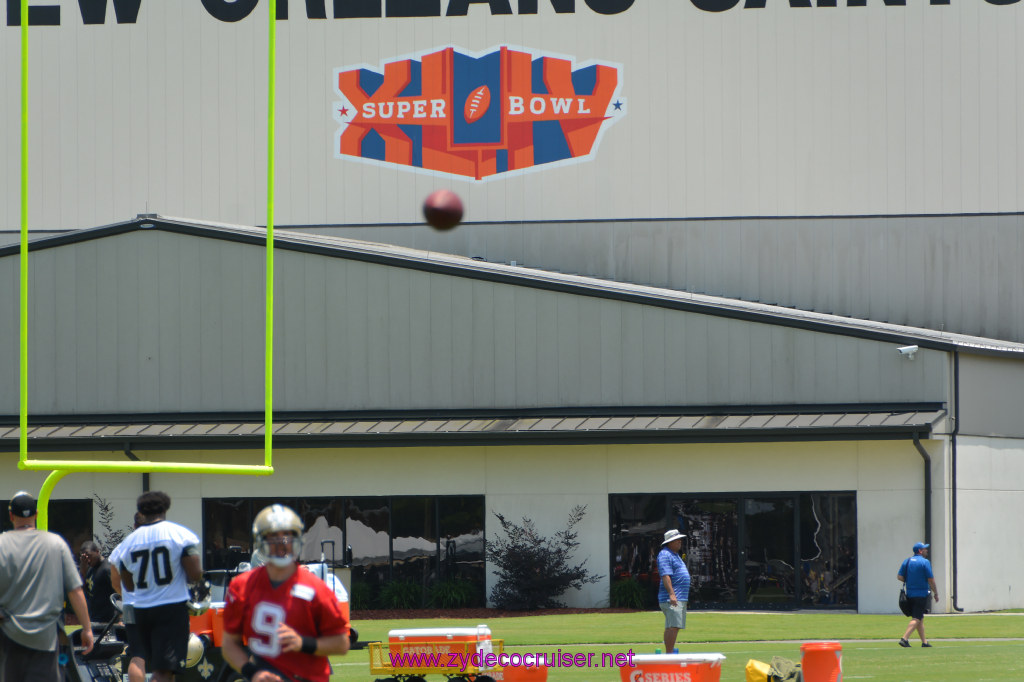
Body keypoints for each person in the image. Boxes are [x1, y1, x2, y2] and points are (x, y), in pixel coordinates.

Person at [223, 504, 350, 682]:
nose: (279, 543)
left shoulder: (316, 588)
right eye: (272, 536)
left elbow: (341, 643)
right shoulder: (241, 587)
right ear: (261, 541)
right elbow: (229, 643)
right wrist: (253, 672)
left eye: (286, 536)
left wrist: (302, 643)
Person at [109, 492, 204, 682]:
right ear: (165, 508)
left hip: (141, 609)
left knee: (142, 658)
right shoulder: (178, 533)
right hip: (170, 607)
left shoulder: (129, 542)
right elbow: (195, 573)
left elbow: (127, 583)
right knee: (164, 670)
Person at [0, 491, 94, 682]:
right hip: (46, 635)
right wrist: (87, 628)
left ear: (10, 515)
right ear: (36, 513)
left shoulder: (1, 544)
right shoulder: (55, 543)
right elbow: (75, 590)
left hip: (8, 634)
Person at [110, 513, 147, 682]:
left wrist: (128, 596)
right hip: (159, 604)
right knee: (163, 656)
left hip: (132, 606)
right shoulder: (162, 543)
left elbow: (115, 582)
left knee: (137, 655)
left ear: (134, 526)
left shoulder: (123, 547)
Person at [897, 541, 939, 648]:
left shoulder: (907, 561)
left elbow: (900, 576)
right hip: (921, 594)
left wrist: (911, 580)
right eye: (925, 549)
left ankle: (924, 642)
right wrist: (936, 592)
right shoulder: (925, 562)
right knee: (916, 618)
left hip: (910, 593)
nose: (927, 550)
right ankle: (904, 639)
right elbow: (931, 579)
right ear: (920, 551)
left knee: (919, 618)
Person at [657, 529, 690, 653]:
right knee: (673, 626)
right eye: (677, 540)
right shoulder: (665, 554)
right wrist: (672, 594)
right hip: (672, 597)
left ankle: (669, 652)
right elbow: (665, 575)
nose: (680, 541)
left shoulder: (674, 554)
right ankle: (669, 654)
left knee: (674, 626)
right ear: (670, 542)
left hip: (679, 596)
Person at [79, 541, 117, 624]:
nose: (88, 560)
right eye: (84, 557)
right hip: (94, 619)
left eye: (89, 556)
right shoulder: (89, 569)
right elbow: (82, 586)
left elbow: (118, 593)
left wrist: (120, 617)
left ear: (97, 551)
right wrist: (83, 565)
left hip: (108, 621)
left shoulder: (107, 569)